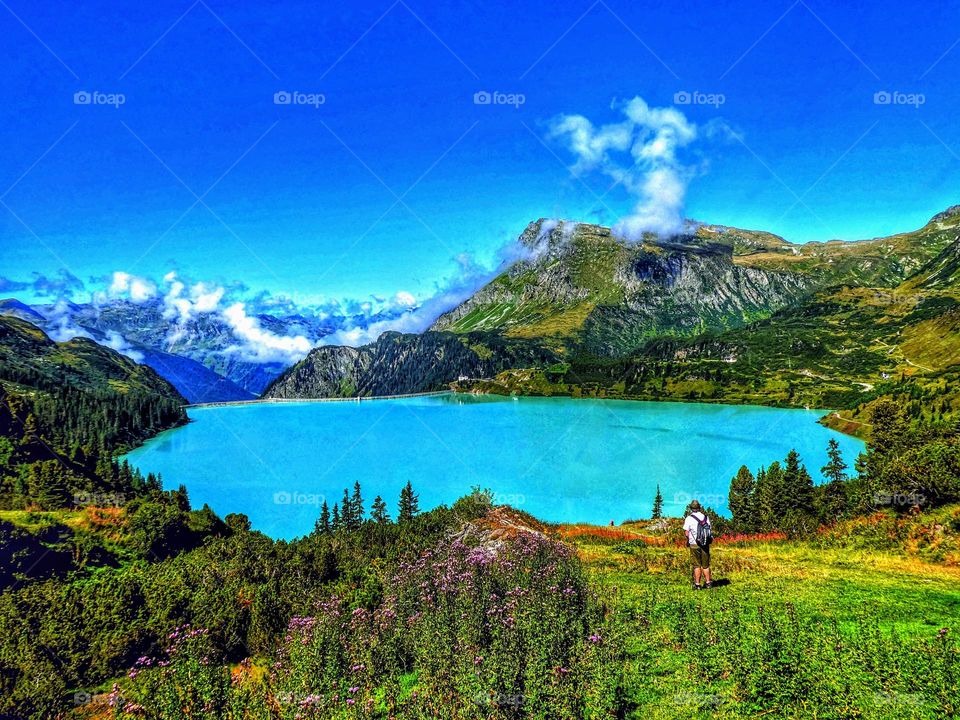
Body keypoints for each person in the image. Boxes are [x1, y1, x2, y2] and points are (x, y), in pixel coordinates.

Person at [683, 500, 712, 590]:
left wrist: (688, 540)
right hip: (705, 544)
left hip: (694, 544)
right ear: (699, 507)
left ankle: (697, 585)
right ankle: (708, 583)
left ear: (691, 508)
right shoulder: (705, 517)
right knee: (705, 565)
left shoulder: (689, 518)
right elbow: (709, 530)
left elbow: (686, 533)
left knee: (696, 565)